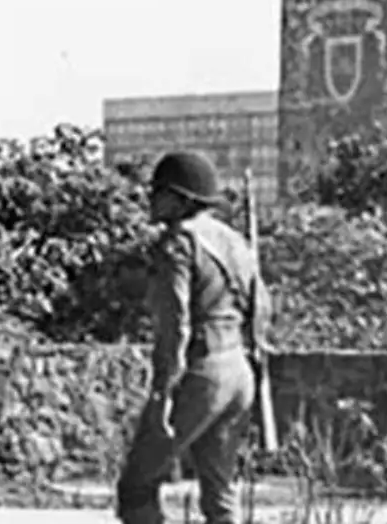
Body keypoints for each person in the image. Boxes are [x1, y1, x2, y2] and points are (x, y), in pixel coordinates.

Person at [115, 151, 271, 524]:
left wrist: (164, 390)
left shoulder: (178, 244)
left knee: (136, 487)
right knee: (219, 494)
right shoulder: (234, 241)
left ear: (183, 200)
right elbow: (262, 307)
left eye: (160, 191)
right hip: (238, 369)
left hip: (200, 372)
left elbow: (175, 324)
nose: (151, 198)